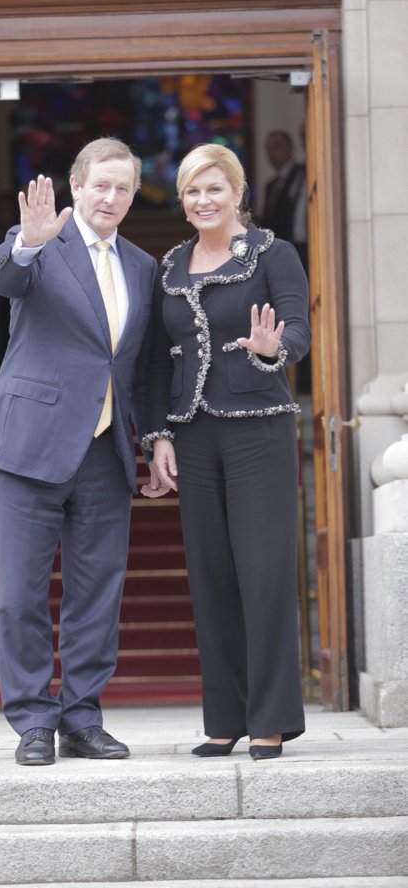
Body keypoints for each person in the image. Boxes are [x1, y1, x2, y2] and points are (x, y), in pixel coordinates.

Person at [0, 137, 157, 765]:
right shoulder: (39, 241)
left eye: (123, 188)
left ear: (133, 196)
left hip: (106, 451)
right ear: (76, 187)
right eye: (100, 185)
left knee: (96, 595)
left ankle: (82, 717)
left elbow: (141, 367)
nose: (111, 197)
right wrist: (27, 242)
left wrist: (153, 437)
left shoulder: (143, 266)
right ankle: (32, 721)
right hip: (29, 445)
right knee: (19, 594)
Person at [142, 143, 310, 761]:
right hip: (192, 435)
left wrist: (271, 350)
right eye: (192, 191)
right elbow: (155, 363)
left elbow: (298, 329)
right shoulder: (170, 265)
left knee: (264, 574)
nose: (203, 200)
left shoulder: (274, 253)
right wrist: (157, 435)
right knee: (211, 577)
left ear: (238, 192)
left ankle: (270, 719)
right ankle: (225, 719)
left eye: (214, 188)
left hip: (258, 431)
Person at [261, 129, 308, 272]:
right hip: (277, 252)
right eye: (268, 149)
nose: (272, 153)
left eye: (277, 147)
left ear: (290, 148)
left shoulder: (302, 174)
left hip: (298, 247)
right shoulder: (271, 185)